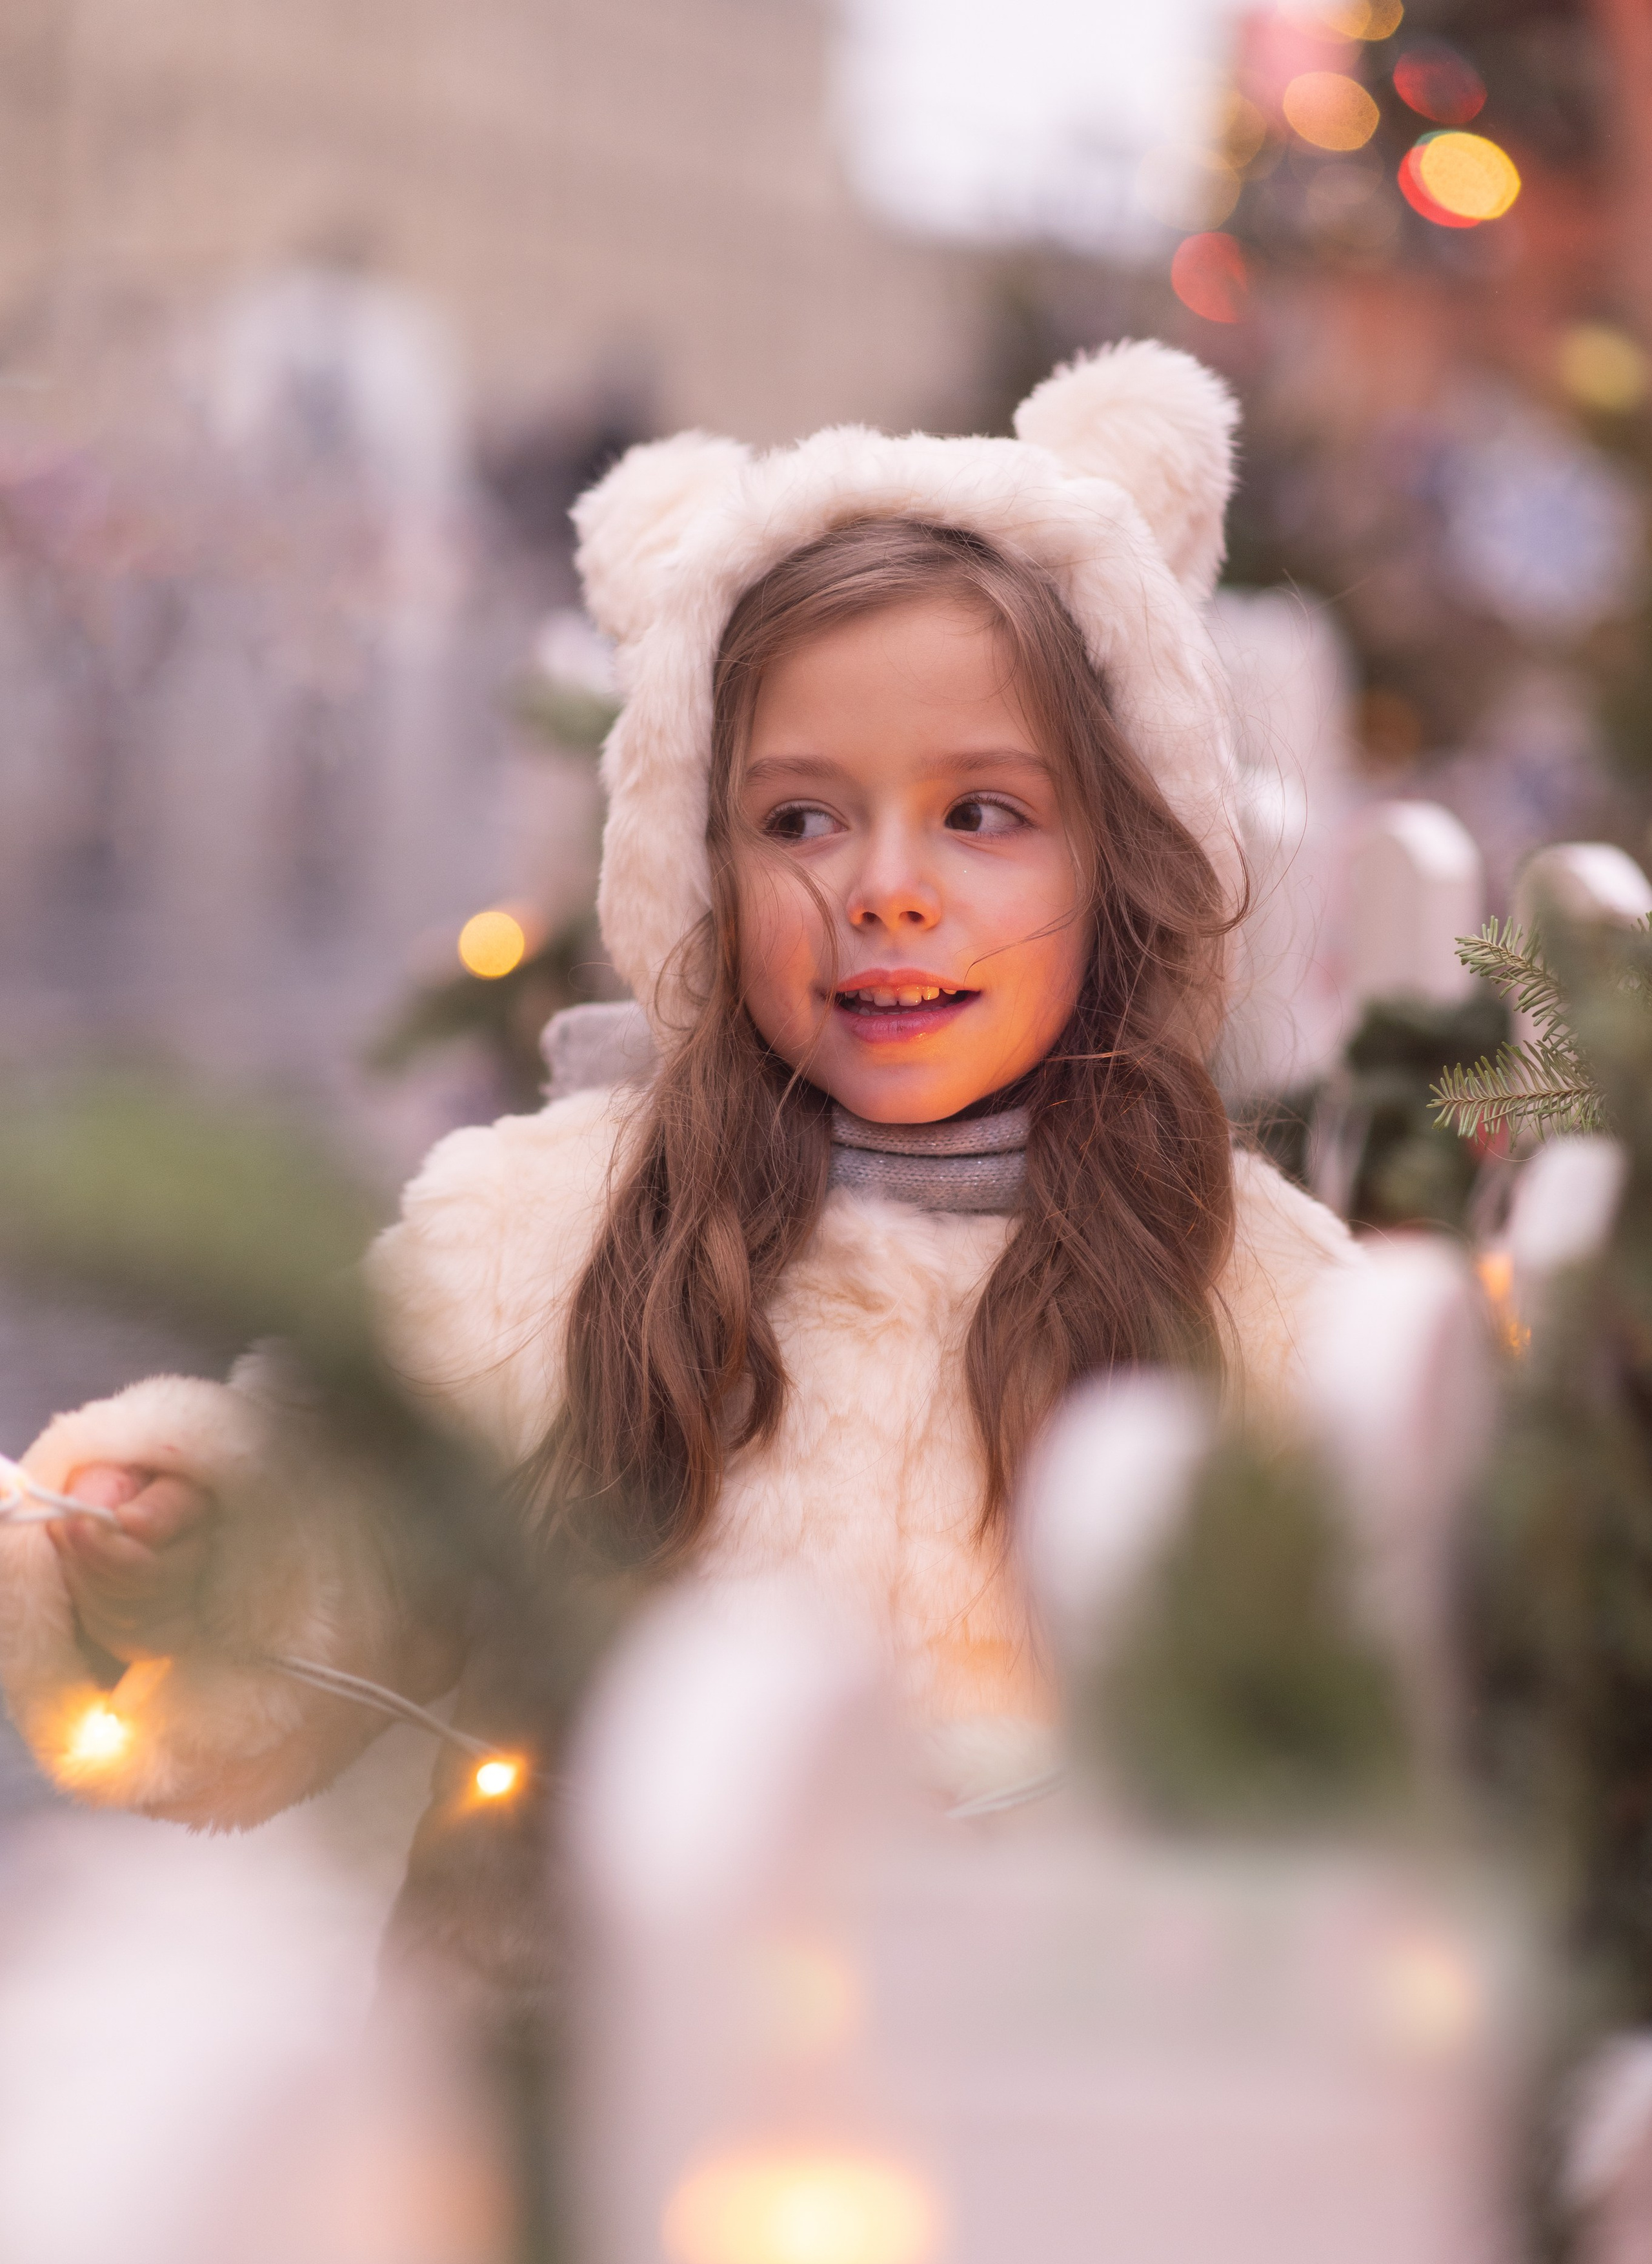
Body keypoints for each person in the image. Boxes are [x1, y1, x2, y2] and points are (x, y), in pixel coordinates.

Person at [0, 341, 1357, 1906]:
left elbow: (1373, 1685)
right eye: (800, 818)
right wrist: (199, 1542)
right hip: (591, 2054)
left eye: (980, 813)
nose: (883, 888)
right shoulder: (555, 1227)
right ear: (695, 863)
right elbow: (361, 1501)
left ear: (1114, 855)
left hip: (1046, 2078)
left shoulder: (1242, 1280)